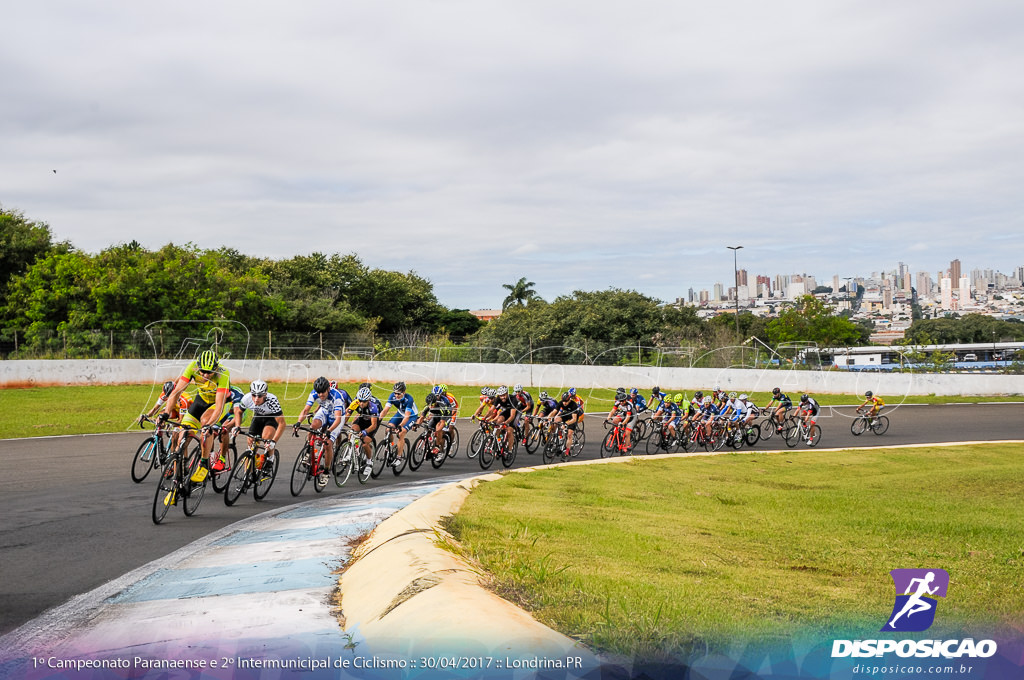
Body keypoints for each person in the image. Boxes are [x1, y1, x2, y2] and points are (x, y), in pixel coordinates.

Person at [162, 350, 232, 483]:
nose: (205, 375)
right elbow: (176, 392)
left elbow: (218, 407)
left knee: (205, 423)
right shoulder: (192, 367)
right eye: (202, 371)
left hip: (219, 403)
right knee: (182, 437)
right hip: (201, 400)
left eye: (209, 372)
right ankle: (179, 478)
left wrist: (208, 426)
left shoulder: (223, 374)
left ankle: (204, 463)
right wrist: (166, 413)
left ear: (216, 368)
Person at [295, 376, 347, 486]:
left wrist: (329, 430)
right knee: (313, 426)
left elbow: (337, 419)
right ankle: (309, 451)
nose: (320, 395)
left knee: (328, 443)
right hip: (324, 412)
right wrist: (298, 422)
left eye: (323, 392)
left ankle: (327, 471)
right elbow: (306, 410)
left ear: (328, 389)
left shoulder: (336, 396)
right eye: (318, 393)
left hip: (336, 418)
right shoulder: (314, 393)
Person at [231, 380, 286, 469]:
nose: (256, 399)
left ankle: (270, 458)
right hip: (258, 417)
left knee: (266, 438)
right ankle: (248, 475)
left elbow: (282, 424)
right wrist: (237, 426)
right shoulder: (247, 398)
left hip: (271, 418)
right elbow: (238, 412)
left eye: (259, 396)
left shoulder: (272, 400)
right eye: (254, 395)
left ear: (265, 395)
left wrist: (273, 441)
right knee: (251, 444)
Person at [378, 381, 417, 466]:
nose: (396, 396)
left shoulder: (409, 399)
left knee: (401, 433)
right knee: (388, 429)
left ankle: (399, 457)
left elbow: (407, 416)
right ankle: (391, 446)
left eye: (399, 394)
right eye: (395, 393)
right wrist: (379, 419)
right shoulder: (392, 396)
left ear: (404, 392)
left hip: (411, 416)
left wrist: (400, 426)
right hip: (400, 413)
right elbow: (385, 410)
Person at [346, 386, 381, 469]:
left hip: (372, 423)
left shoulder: (373, 407)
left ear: (368, 400)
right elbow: (347, 416)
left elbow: (373, 425)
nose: (361, 403)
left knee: (365, 443)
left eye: (364, 401)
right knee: (352, 432)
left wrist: (365, 431)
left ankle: (369, 462)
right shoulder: (355, 403)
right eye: (360, 400)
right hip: (362, 419)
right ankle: (353, 450)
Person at [605, 388, 636, 453]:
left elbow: (627, 417)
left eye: (623, 401)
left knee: (627, 433)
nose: (621, 403)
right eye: (620, 401)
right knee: (614, 420)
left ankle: (626, 446)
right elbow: (612, 411)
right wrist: (607, 419)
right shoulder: (618, 402)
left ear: (625, 400)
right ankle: (616, 435)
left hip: (631, 416)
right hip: (624, 413)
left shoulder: (629, 405)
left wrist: (622, 423)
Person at [554, 390, 583, 458]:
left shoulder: (574, 405)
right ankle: (559, 437)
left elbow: (574, 419)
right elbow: (554, 411)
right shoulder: (562, 402)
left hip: (574, 417)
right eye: (563, 401)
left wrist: (566, 424)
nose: (564, 403)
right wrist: (548, 418)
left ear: (569, 400)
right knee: (556, 419)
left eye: (566, 401)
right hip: (567, 414)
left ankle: (567, 451)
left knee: (569, 434)